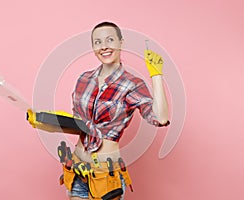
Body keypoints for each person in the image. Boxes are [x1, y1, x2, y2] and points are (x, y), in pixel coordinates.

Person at [27, 21, 170, 200]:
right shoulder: (84, 79)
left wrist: (156, 75)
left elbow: (160, 118)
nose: (104, 46)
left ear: (120, 42)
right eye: (98, 42)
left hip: (106, 177)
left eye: (110, 40)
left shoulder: (132, 84)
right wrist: (46, 123)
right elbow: (81, 127)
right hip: (78, 170)